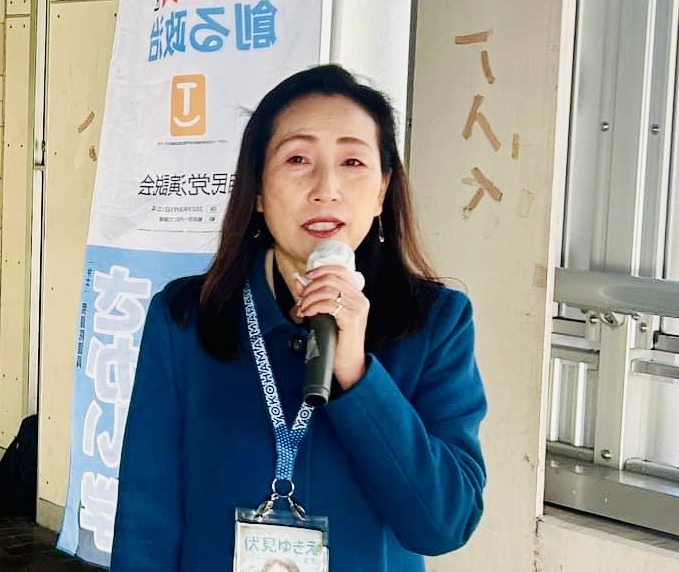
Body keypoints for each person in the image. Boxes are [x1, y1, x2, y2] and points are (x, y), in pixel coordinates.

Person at [111, 64, 487, 571]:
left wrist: (356, 373)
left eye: (352, 161)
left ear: (382, 191)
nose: (326, 187)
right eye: (297, 159)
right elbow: (147, 515)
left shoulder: (437, 322)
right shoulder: (185, 318)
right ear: (257, 191)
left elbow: (443, 524)